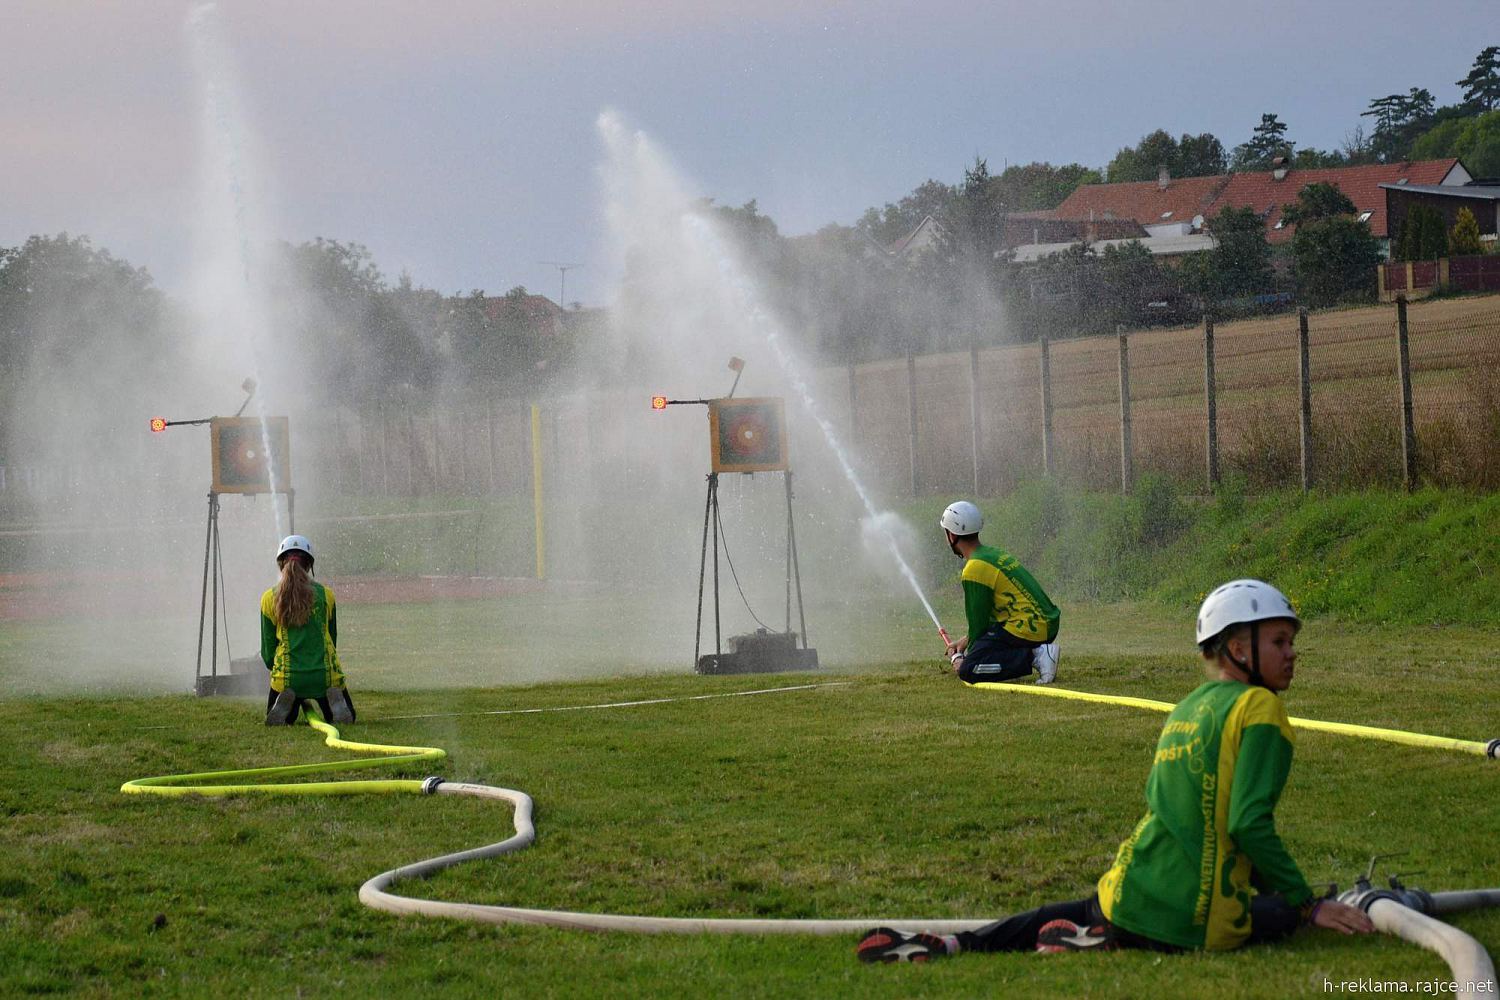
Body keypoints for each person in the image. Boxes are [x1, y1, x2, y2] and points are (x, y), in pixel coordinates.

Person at [857, 579, 1375, 963]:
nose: (1292, 655)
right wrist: (1307, 905)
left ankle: (959, 943)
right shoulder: (1259, 711)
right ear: (1238, 648)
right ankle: (1106, 941)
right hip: (1192, 915)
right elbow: (1247, 824)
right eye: (1279, 642)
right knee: (1282, 915)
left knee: (1084, 908)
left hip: (1126, 887)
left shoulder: (1188, 709)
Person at [939, 501, 1060, 685]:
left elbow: (979, 626)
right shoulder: (993, 554)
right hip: (1046, 623)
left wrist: (964, 660)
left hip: (1030, 629)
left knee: (970, 670)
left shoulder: (974, 569)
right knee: (985, 648)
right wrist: (964, 641)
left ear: (952, 535)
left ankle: (1036, 656)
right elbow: (989, 622)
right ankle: (1036, 653)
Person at [261, 534, 356, 726]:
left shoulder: (268, 598)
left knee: (283, 714)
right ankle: (333, 702)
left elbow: (268, 651)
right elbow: (332, 638)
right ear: (309, 565)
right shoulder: (326, 595)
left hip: (288, 676)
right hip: (324, 674)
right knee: (350, 716)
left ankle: (285, 707)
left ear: (281, 564)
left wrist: (277, 669)